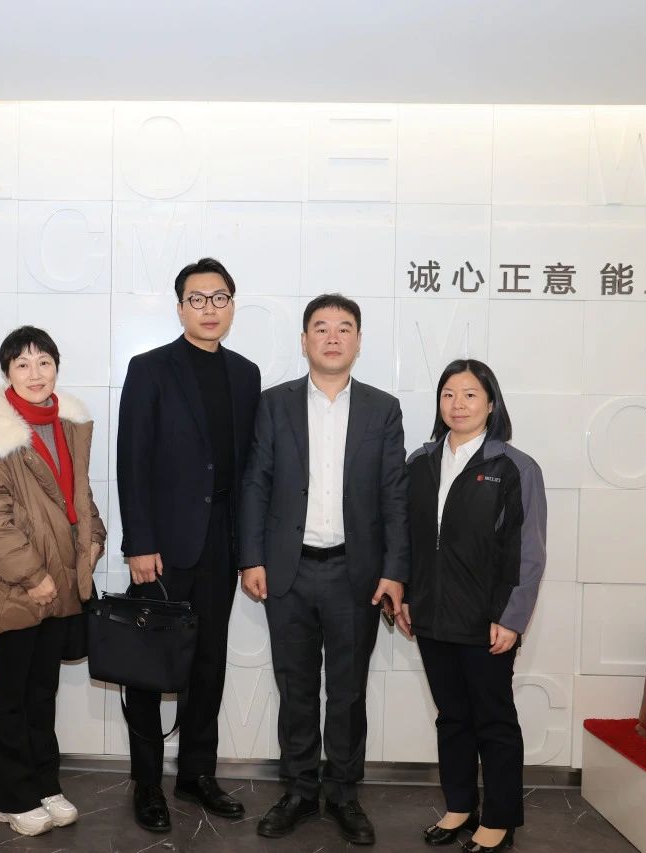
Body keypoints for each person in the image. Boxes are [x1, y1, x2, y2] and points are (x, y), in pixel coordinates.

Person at [238, 293, 409, 845]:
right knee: (295, 688)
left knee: (348, 692)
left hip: (356, 575)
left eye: (343, 328)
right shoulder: (275, 404)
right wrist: (251, 558)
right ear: (304, 340)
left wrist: (395, 570)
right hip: (287, 571)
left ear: (358, 341)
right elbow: (256, 483)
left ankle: (343, 793)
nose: (332, 337)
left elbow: (394, 495)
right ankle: (299, 790)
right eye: (321, 327)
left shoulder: (383, 409)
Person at [116, 257, 261, 833]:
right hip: (162, 546)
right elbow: (132, 459)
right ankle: (147, 783)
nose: (209, 309)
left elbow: (249, 471)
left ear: (232, 306)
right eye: (197, 299)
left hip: (221, 541)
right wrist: (139, 542)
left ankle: (197, 774)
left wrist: (249, 550)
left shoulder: (246, 374)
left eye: (219, 297)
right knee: (149, 667)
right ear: (180, 308)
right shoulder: (150, 368)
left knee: (209, 662)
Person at [0, 326, 106, 838]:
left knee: (43, 693)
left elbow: (78, 497)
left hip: (60, 584)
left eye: (44, 362)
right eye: (22, 364)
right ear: (7, 374)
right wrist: (32, 575)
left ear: (56, 368)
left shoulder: (67, 426)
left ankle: (45, 784)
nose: (35, 373)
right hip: (13, 588)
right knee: (11, 696)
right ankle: (11, 797)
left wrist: (94, 538)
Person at [401, 359, 546, 853]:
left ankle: (500, 819)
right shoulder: (420, 462)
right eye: (448, 394)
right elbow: (409, 539)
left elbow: (528, 552)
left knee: (494, 720)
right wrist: (405, 595)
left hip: (487, 622)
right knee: (451, 717)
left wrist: (511, 617)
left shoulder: (514, 468)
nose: (457, 404)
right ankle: (460, 805)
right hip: (431, 615)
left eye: (469, 395)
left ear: (491, 403)